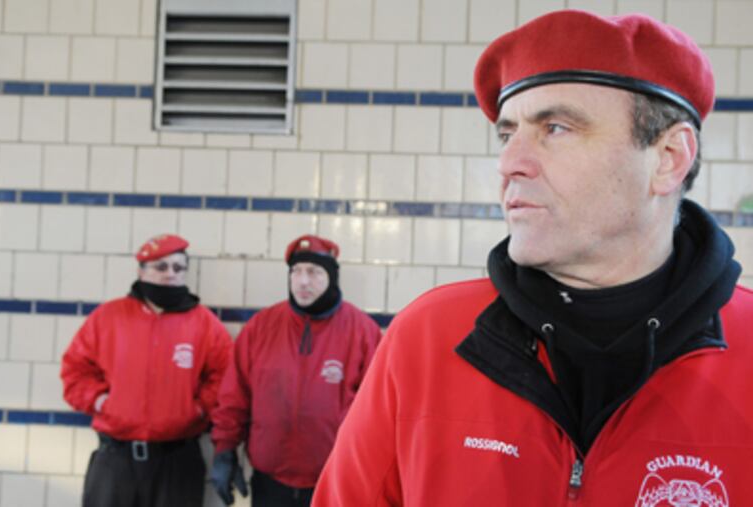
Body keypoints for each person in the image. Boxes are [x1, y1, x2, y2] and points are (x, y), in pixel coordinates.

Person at [312, 10, 753, 506]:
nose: (508, 164)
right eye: (507, 134)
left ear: (669, 158)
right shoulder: (427, 338)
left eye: (556, 128)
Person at [61, 233, 233, 507]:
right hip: (115, 460)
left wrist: (198, 409)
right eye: (161, 267)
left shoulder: (204, 323)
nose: (170, 274)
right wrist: (100, 401)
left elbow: (225, 377)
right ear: (141, 271)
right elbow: (75, 370)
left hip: (177, 460)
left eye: (178, 268)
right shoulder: (108, 317)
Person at [209, 234, 382, 507]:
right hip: (270, 482)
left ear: (332, 277)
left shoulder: (362, 332)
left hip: (334, 480)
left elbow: (378, 411)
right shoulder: (261, 326)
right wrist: (225, 449)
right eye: (296, 271)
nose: (303, 281)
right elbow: (235, 395)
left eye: (314, 272)